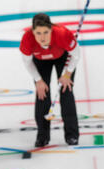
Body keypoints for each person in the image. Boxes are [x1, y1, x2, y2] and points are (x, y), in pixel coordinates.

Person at [20, 13, 80, 148]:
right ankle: (42, 136)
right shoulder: (27, 40)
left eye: (46, 32)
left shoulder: (62, 34)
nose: (42, 37)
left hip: (63, 57)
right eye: (38, 33)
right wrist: (38, 81)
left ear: (51, 29)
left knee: (66, 92)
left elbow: (76, 54)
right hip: (40, 61)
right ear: (32, 32)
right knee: (42, 94)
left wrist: (67, 74)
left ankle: (72, 135)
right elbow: (27, 63)